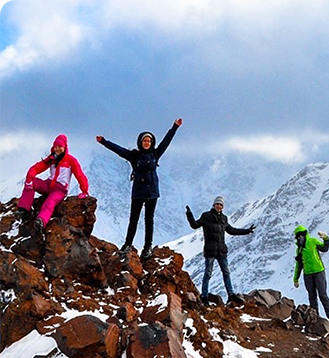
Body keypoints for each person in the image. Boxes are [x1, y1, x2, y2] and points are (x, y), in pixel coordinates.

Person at [96, 118, 182, 259]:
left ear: (151, 143)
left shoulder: (155, 154)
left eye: (149, 141)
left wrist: (174, 127)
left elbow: (166, 142)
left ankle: (147, 247)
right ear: (140, 142)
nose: (147, 143)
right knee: (133, 219)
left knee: (149, 220)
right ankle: (127, 245)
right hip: (138, 192)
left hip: (152, 192)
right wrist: (104, 142)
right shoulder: (134, 156)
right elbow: (119, 150)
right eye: (144, 140)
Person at [186, 196, 255, 305]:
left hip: (221, 251)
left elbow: (231, 230)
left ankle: (231, 295)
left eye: (221, 205)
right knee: (208, 274)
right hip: (210, 251)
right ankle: (204, 297)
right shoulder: (206, 216)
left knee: (226, 273)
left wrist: (246, 231)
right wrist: (189, 215)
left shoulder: (224, 219)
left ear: (222, 207)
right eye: (217, 204)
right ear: (214, 205)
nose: (219, 206)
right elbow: (195, 225)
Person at [17, 134, 89, 232]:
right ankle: (24, 210)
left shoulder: (71, 160)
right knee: (31, 183)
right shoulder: (52, 159)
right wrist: (30, 178)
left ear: (65, 147)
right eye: (56, 147)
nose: (57, 149)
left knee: (49, 203)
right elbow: (38, 167)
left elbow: (79, 175)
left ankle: (41, 221)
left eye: (60, 147)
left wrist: (84, 191)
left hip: (60, 189)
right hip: (48, 184)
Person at [293, 225, 329, 322]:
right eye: (298, 236)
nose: (300, 237)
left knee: (323, 295)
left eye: (301, 235)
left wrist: (326, 239)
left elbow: (325, 248)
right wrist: (296, 278)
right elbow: (299, 265)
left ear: (305, 234)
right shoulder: (299, 250)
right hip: (308, 275)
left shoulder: (313, 242)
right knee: (312, 296)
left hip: (319, 272)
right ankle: (315, 318)